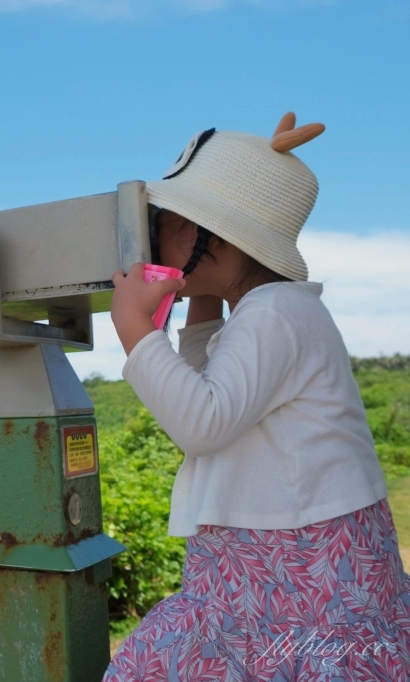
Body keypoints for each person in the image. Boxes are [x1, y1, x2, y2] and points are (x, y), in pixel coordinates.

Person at [103, 113, 410, 681]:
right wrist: (199, 300)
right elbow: (210, 385)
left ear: (212, 233)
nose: (151, 235)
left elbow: (201, 423)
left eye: (166, 220)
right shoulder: (262, 313)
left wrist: (134, 326)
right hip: (275, 562)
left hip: (300, 569)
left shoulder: (276, 311)